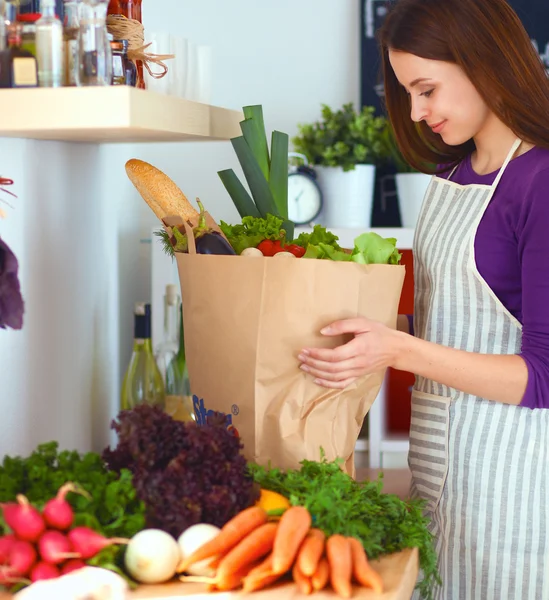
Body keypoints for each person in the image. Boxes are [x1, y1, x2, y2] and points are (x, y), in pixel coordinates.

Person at [297, 0, 549, 598]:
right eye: (408, 92)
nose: (416, 111)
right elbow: (449, 319)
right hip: (442, 468)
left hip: (516, 483)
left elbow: (543, 377)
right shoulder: (451, 174)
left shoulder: (539, 181)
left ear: (482, 61)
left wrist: (397, 347)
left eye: (426, 88)